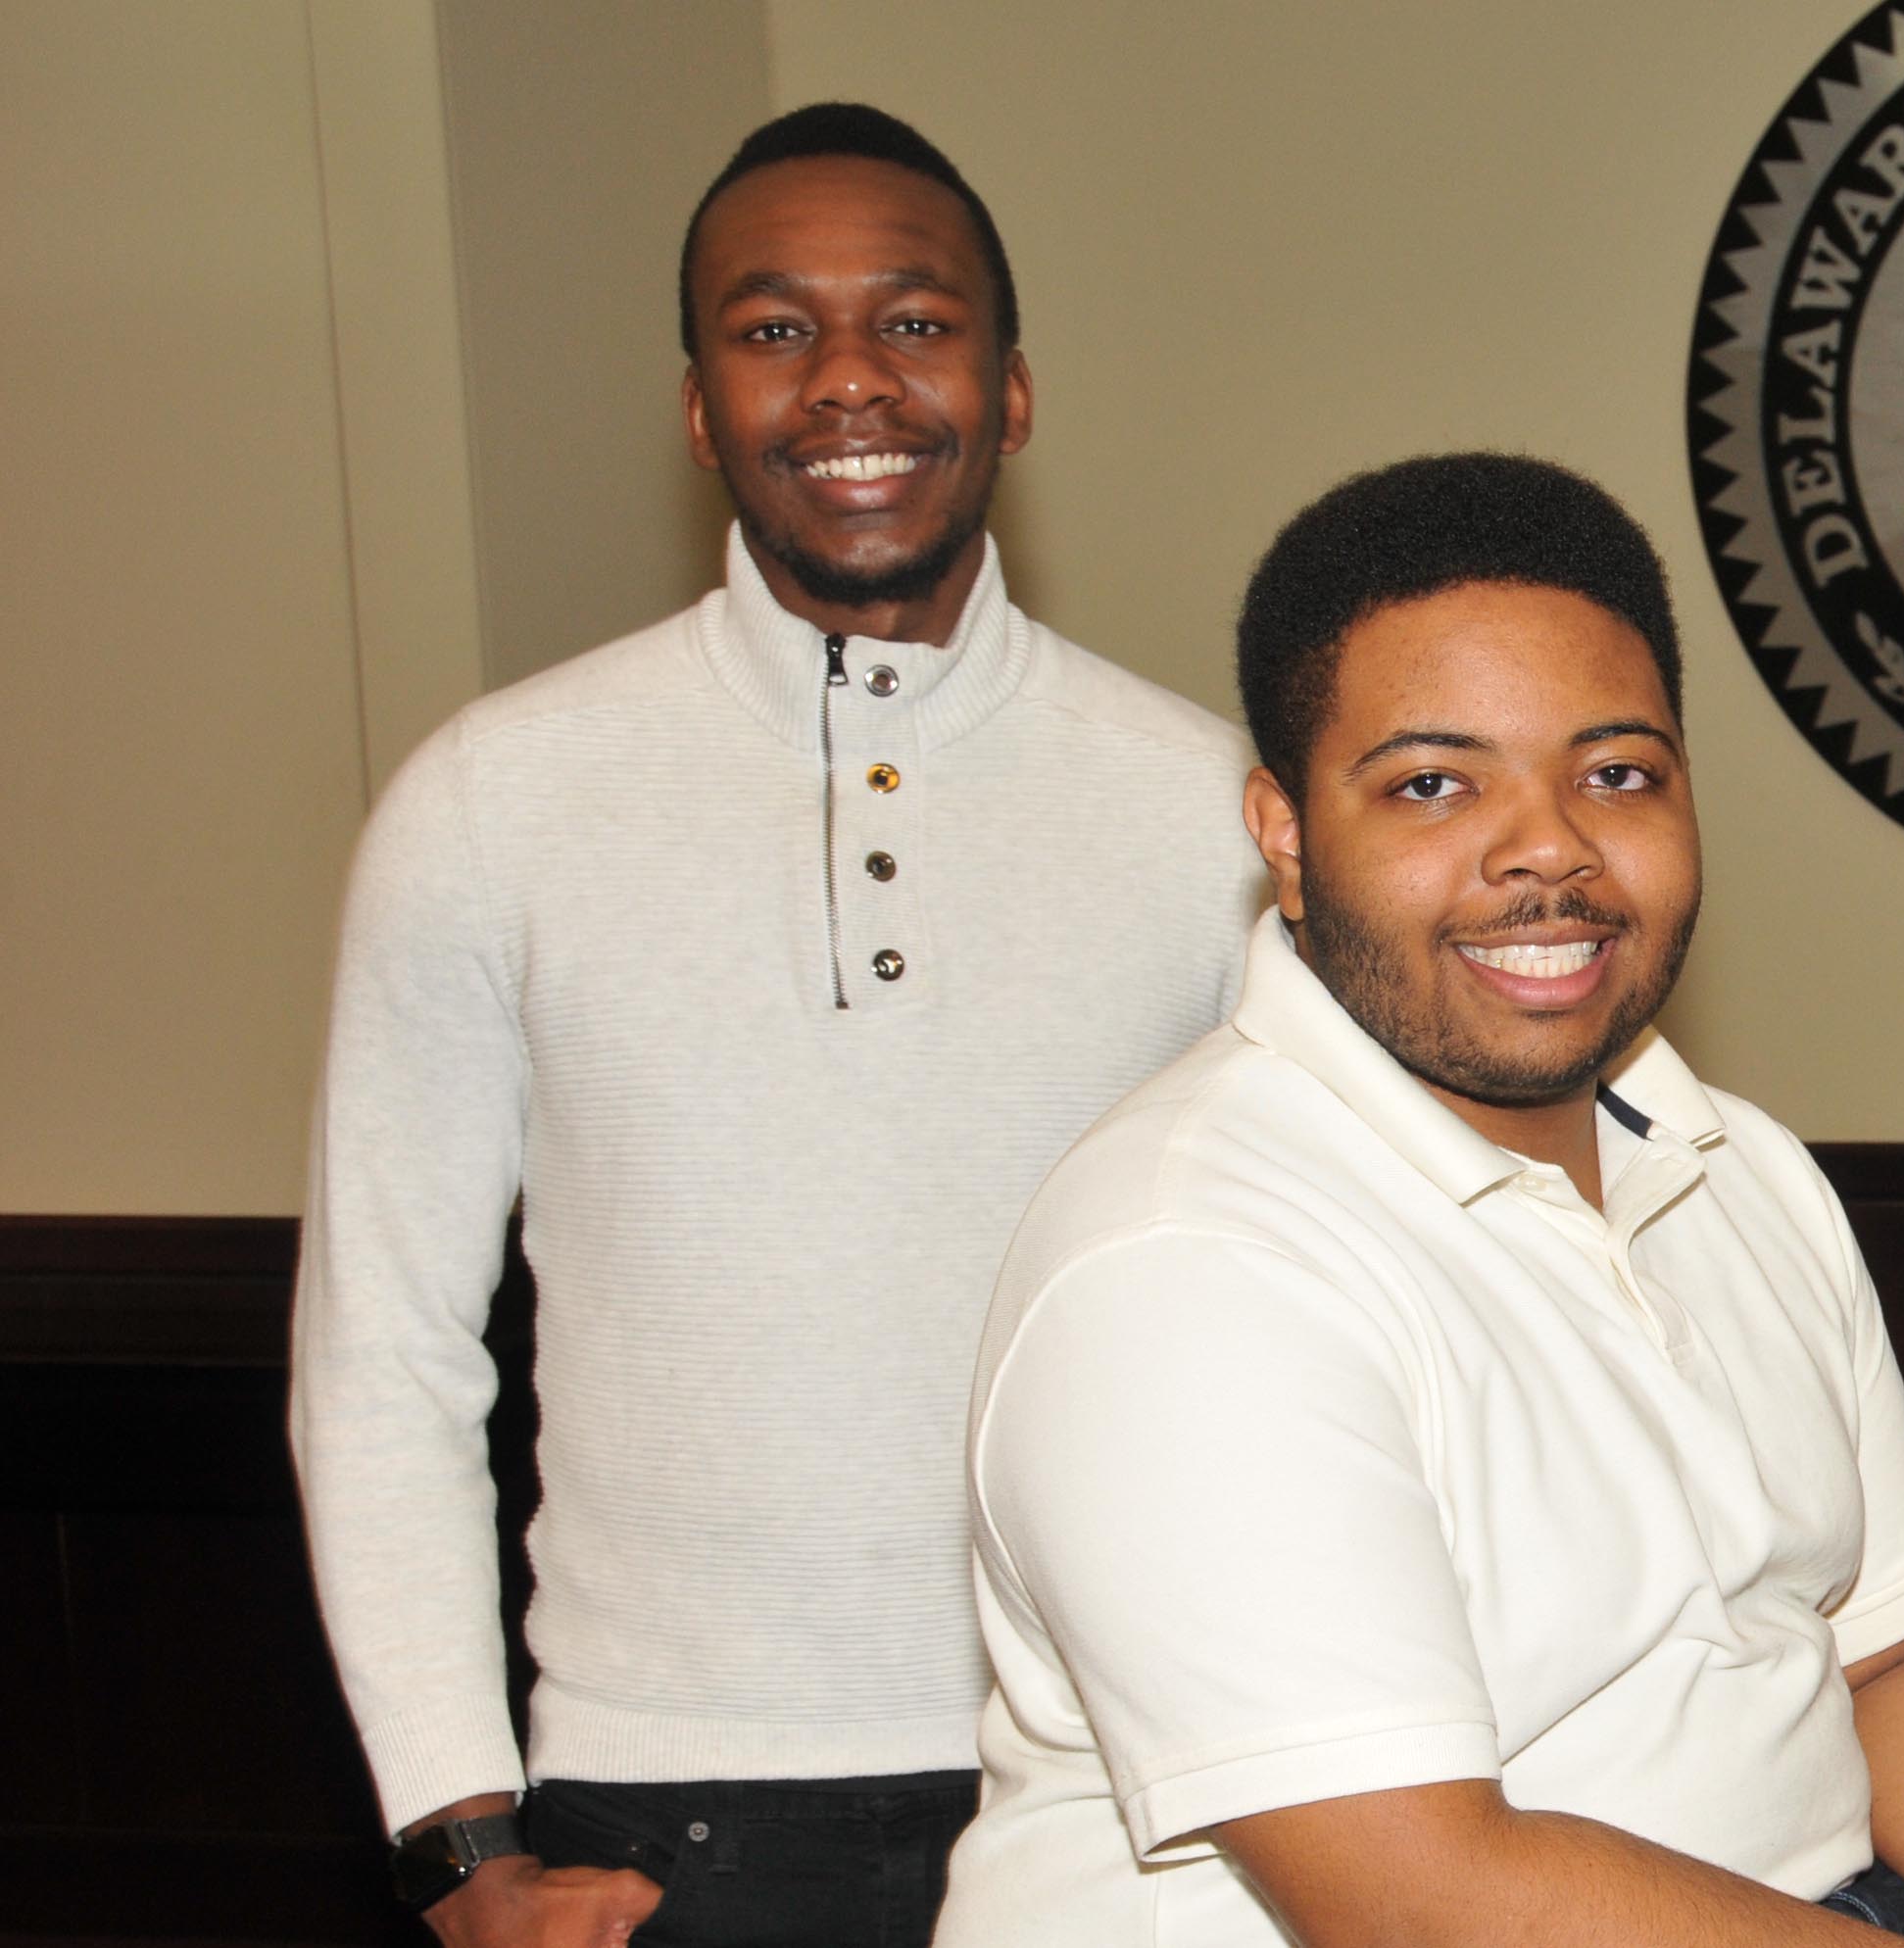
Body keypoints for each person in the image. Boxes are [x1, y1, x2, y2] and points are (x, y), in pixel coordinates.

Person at [936, 454, 1904, 1948]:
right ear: (1284, 830)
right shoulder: (1183, 1262)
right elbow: (1425, 1899)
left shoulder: (1740, 1168)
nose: (1550, 850)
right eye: (1434, 784)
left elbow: (1895, 1666)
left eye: (1616, 773)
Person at [288, 102, 1264, 1947]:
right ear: (695, 404)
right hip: (662, 1828)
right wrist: (455, 1840)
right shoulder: (492, 798)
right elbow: (387, 1350)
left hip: (1134, 1792)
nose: (846, 382)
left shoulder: (1207, 808)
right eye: (770, 328)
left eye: (914, 321)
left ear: (1014, 386)